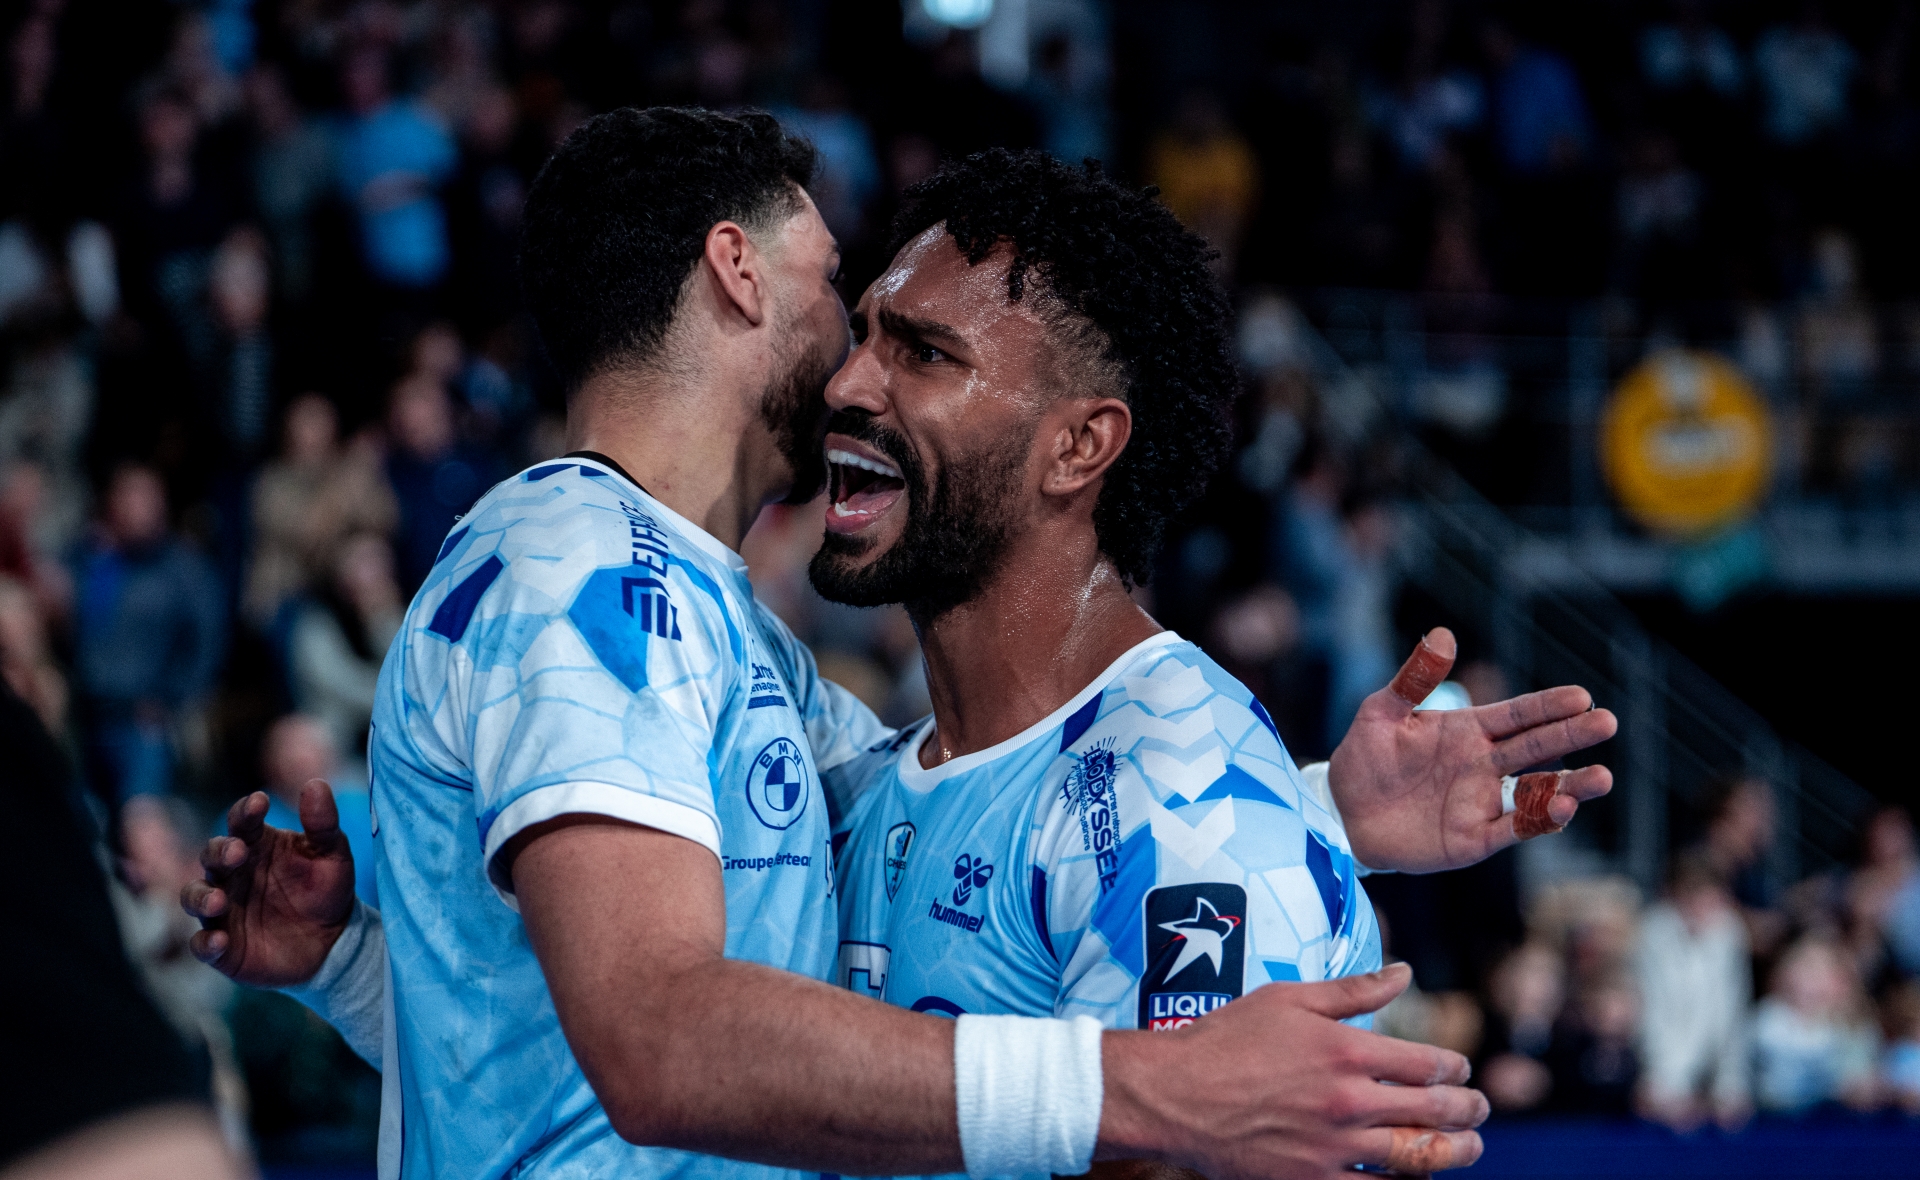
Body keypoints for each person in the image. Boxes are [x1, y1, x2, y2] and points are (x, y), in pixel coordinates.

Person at [183, 108, 1612, 1180]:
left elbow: (1100, 831)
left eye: (917, 350)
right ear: (734, 272)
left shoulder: (758, 666)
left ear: (1078, 447)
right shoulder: (597, 581)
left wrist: (1296, 814)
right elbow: (657, 1042)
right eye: (844, 305)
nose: (849, 373)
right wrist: (1146, 1077)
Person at [73, 464, 225, 802]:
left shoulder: (185, 568)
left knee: (143, 818)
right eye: (126, 496)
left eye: (144, 497)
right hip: (89, 715)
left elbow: (208, 642)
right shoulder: (96, 562)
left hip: (145, 723)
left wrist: (173, 699)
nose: (135, 507)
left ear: (162, 504)